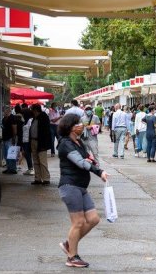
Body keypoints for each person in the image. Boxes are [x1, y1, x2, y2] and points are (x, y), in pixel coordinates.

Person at [56, 113, 109, 268]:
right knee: (78, 222)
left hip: (81, 187)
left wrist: (90, 161)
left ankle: (69, 244)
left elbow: (89, 159)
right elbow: (80, 162)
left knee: (93, 219)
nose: (81, 125)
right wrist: (99, 172)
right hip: (70, 186)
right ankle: (72, 257)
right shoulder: (65, 144)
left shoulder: (78, 142)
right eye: (78, 123)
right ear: (71, 127)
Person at [30, 104, 53, 185]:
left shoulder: (43, 117)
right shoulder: (34, 118)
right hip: (33, 141)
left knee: (42, 161)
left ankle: (46, 178)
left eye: (32, 109)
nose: (31, 111)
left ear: (35, 110)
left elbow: (46, 132)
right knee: (35, 161)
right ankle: (38, 178)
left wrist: (44, 144)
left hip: (41, 142)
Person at [1, 106, 19, 174]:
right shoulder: (3, 119)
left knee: (11, 154)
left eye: (4, 111)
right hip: (5, 138)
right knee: (6, 155)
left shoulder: (12, 118)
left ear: (8, 111)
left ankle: (13, 169)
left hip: (10, 138)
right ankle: (8, 168)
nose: (3, 112)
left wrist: (14, 138)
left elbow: (14, 129)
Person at [21, 106, 34, 176]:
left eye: (22, 114)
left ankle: (30, 168)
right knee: (26, 154)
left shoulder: (30, 120)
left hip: (28, 140)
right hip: (25, 140)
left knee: (27, 154)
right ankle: (30, 167)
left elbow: (31, 131)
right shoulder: (25, 121)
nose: (22, 115)